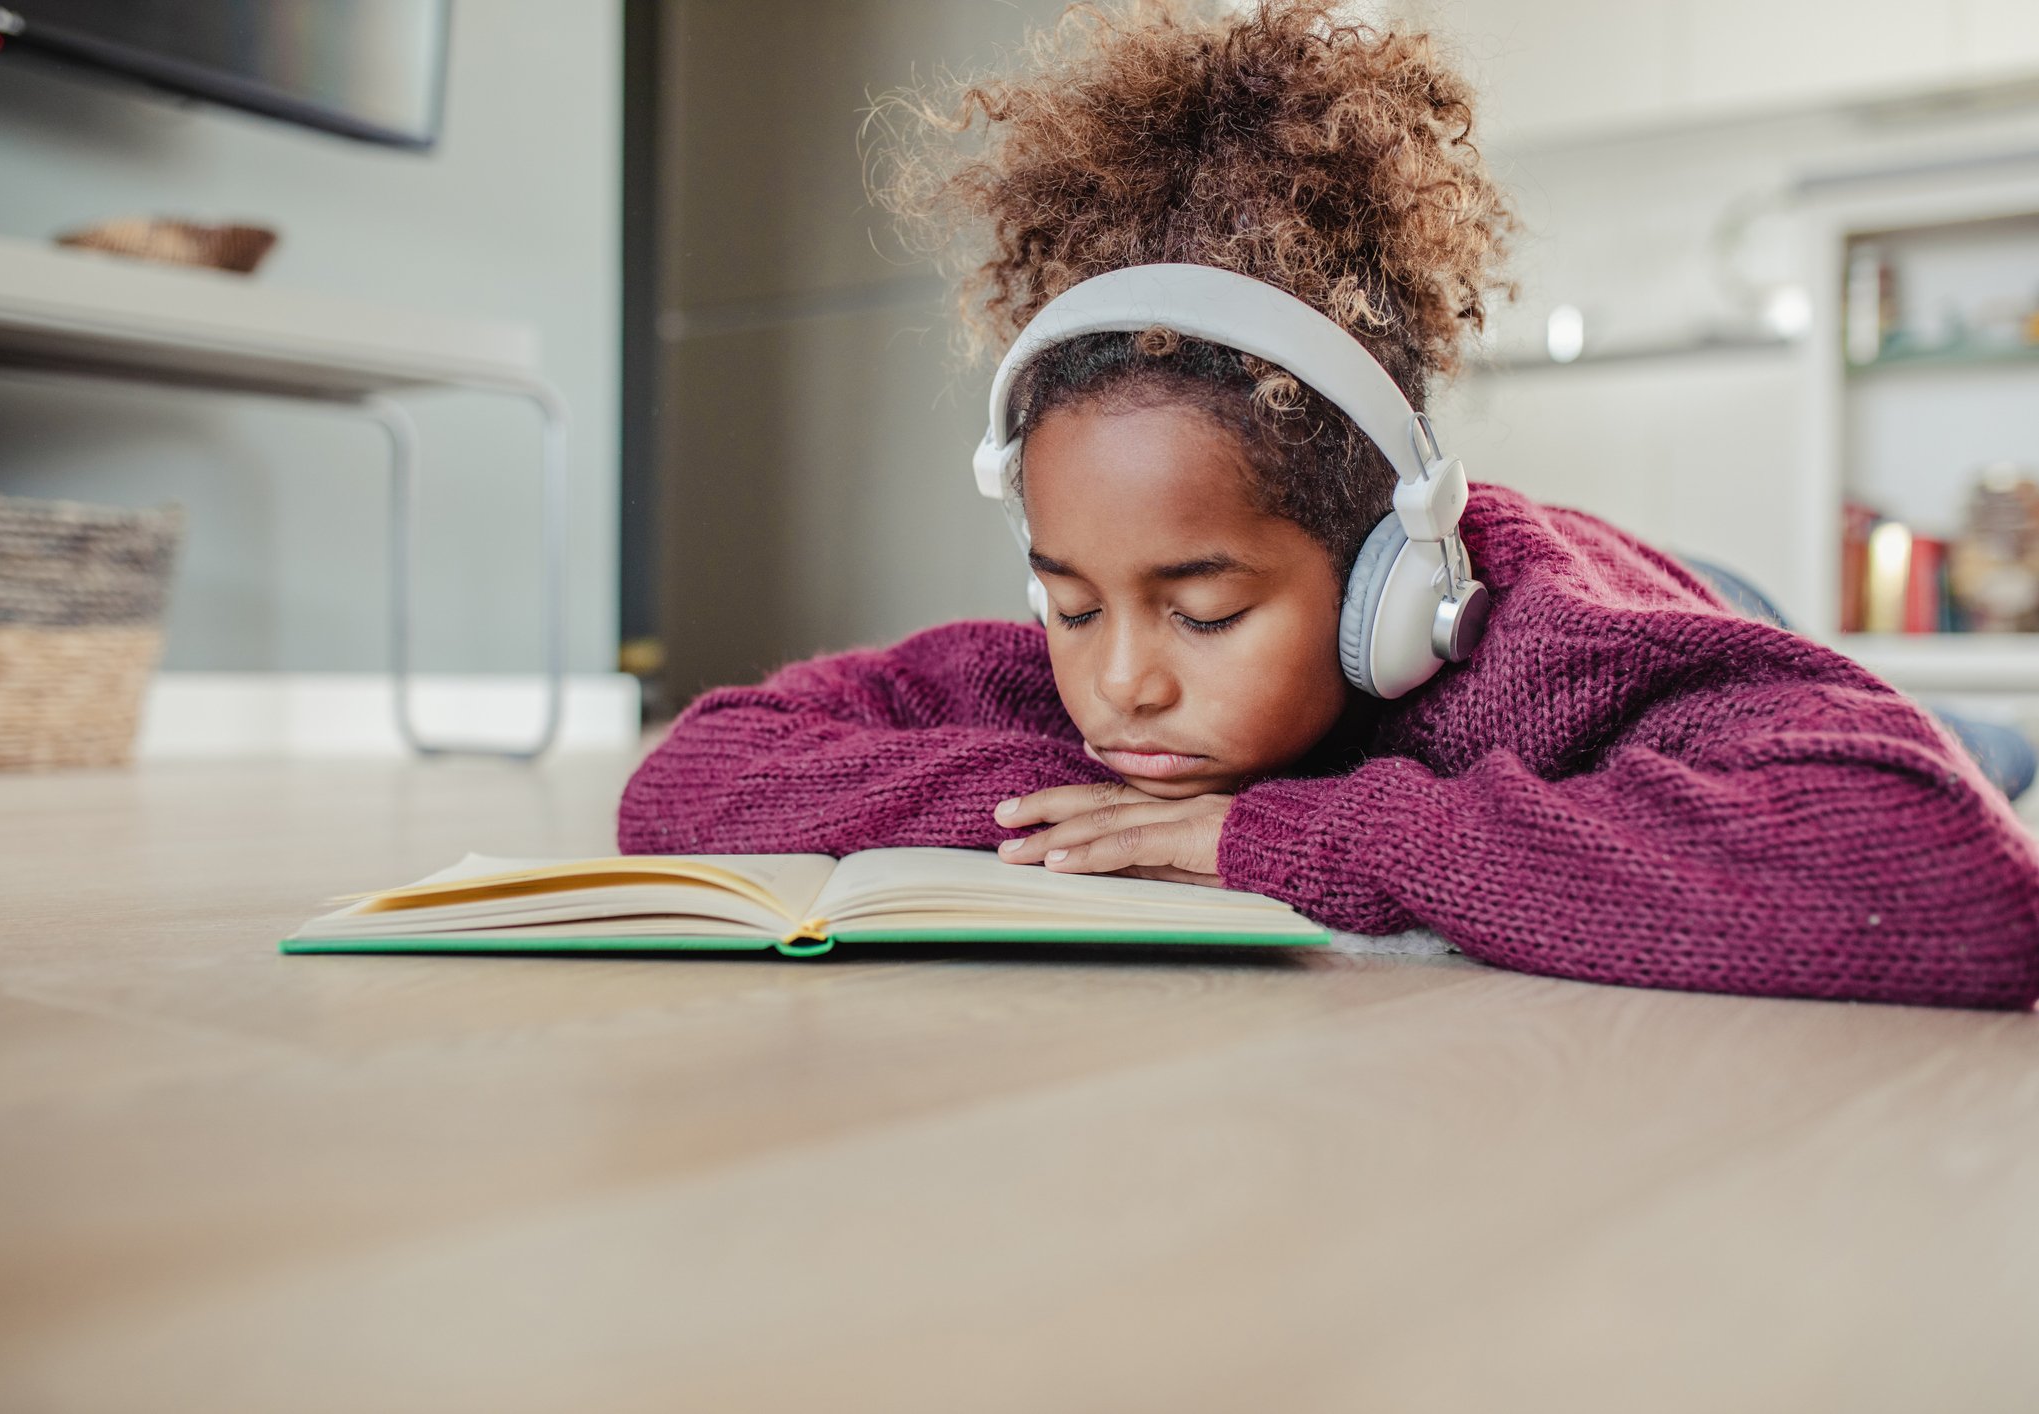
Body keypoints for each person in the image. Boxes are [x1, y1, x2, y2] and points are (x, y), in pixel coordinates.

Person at [619, 0, 2039, 1009]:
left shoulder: (1549, 653)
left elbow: (1949, 877)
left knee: (1974, 745)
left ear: (1386, 587)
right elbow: (689, 775)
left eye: (1204, 610)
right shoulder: (1107, 685)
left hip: (1700, 597)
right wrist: (1076, 819)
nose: (1120, 681)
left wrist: (1287, 832)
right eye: (1068, 600)